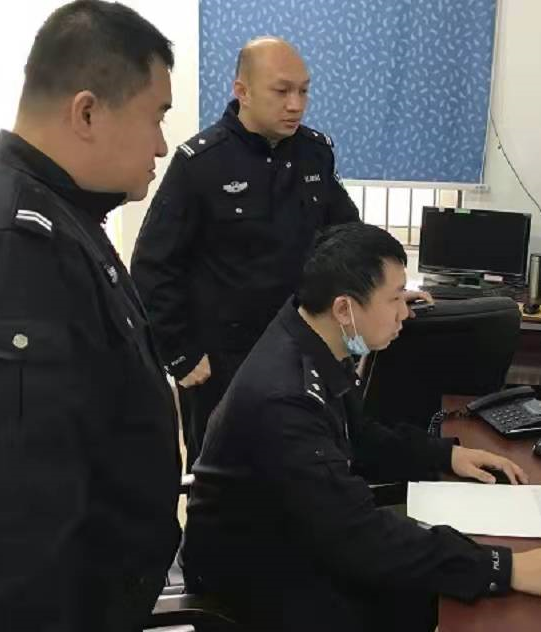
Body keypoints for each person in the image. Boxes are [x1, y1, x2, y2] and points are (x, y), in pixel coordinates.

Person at [181, 223, 541, 632]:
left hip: (297, 533)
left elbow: (360, 436)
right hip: (258, 572)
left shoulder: (311, 338)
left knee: (437, 587)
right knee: (440, 602)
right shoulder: (287, 397)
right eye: (395, 299)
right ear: (344, 308)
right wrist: (506, 567)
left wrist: (447, 454)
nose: (405, 313)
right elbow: (356, 536)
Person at [0, 2, 180, 629]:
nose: (162, 144)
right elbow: (10, 527)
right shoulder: (14, 247)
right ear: (87, 112)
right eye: (156, 116)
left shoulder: (65, 221)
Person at [130, 36, 368, 470]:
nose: (296, 105)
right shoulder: (201, 163)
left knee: (305, 470)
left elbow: (347, 236)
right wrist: (180, 354)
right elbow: (153, 265)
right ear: (242, 91)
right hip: (225, 361)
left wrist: (386, 289)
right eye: (282, 91)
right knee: (224, 478)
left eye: (304, 91)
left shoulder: (314, 154)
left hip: (303, 349)